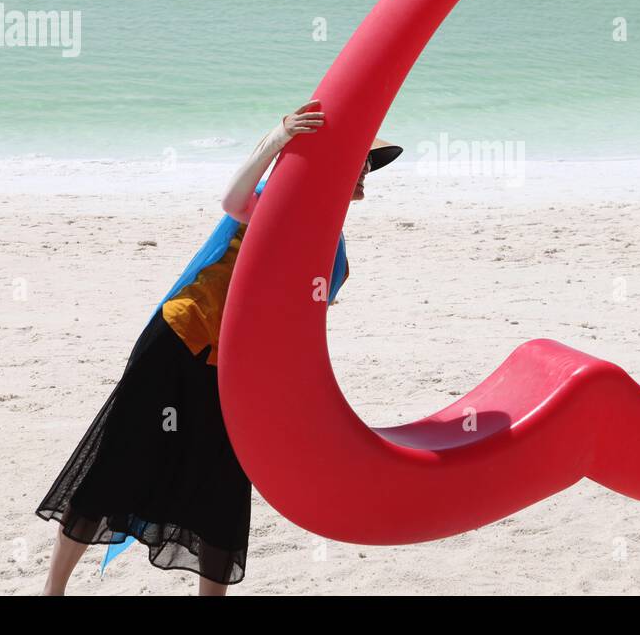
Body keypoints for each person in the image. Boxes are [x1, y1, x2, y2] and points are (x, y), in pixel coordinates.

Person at [35, 100, 401, 595]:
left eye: (367, 167)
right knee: (115, 463)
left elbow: (298, 328)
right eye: (359, 163)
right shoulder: (281, 198)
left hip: (233, 372)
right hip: (178, 340)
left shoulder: (334, 254)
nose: (365, 175)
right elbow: (233, 201)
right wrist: (277, 138)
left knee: (223, 489)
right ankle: (52, 591)